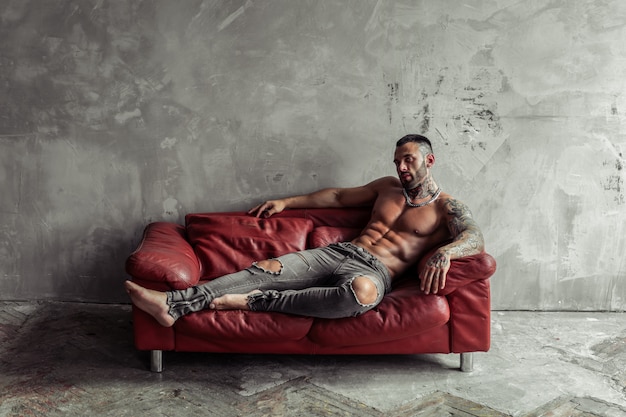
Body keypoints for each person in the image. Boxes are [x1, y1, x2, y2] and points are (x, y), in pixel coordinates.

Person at [125, 134, 484, 327]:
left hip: (375, 272)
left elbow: (474, 236)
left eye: (409, 159)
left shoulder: (445, 208)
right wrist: (287, 202)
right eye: (398, 161)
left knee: (359, 293)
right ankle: (174, 305)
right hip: (338, 252)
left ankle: (255, 303)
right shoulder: (387, 187)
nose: (402, 166)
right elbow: (339, 195)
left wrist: (446, 251)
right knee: (264, 268)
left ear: (429, 160)